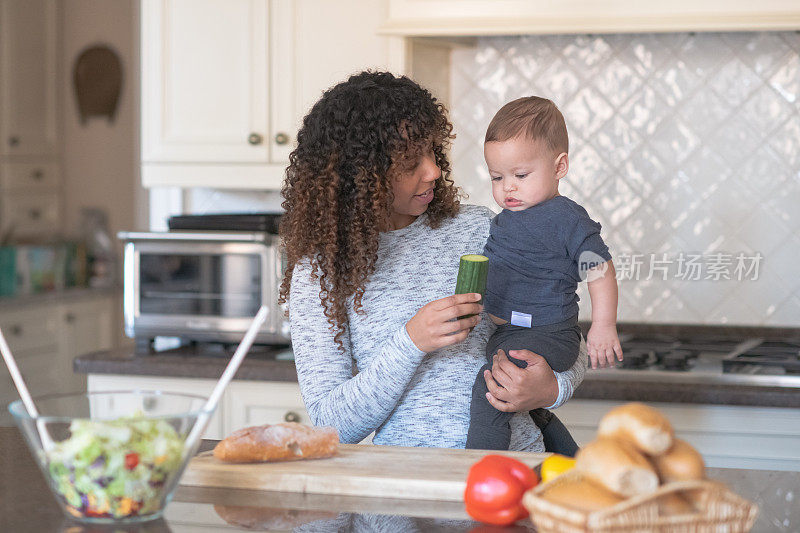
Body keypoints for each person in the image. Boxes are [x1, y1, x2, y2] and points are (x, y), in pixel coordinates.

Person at [279, 71, 586, 452]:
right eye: (410, 163)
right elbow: (332, 425)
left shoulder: (483, 230)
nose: (434, 171)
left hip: (518, 476)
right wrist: (411, 341)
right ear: (361, 177)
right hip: (406, 492)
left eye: (432, 150)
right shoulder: (321, 274)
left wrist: (552, 388)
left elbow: (561, 328)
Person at [465, 96, 622, 455]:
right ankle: (570, 459)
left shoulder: (567, 219)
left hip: (550, 334)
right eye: (497, 177)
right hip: (511, 332)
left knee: (490, 388)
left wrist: (603, 326)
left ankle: (478, 467)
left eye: (520, 175)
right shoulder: (503, 221)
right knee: (519, 399)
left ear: (559, 166)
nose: (508, 187)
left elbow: (598, 270)